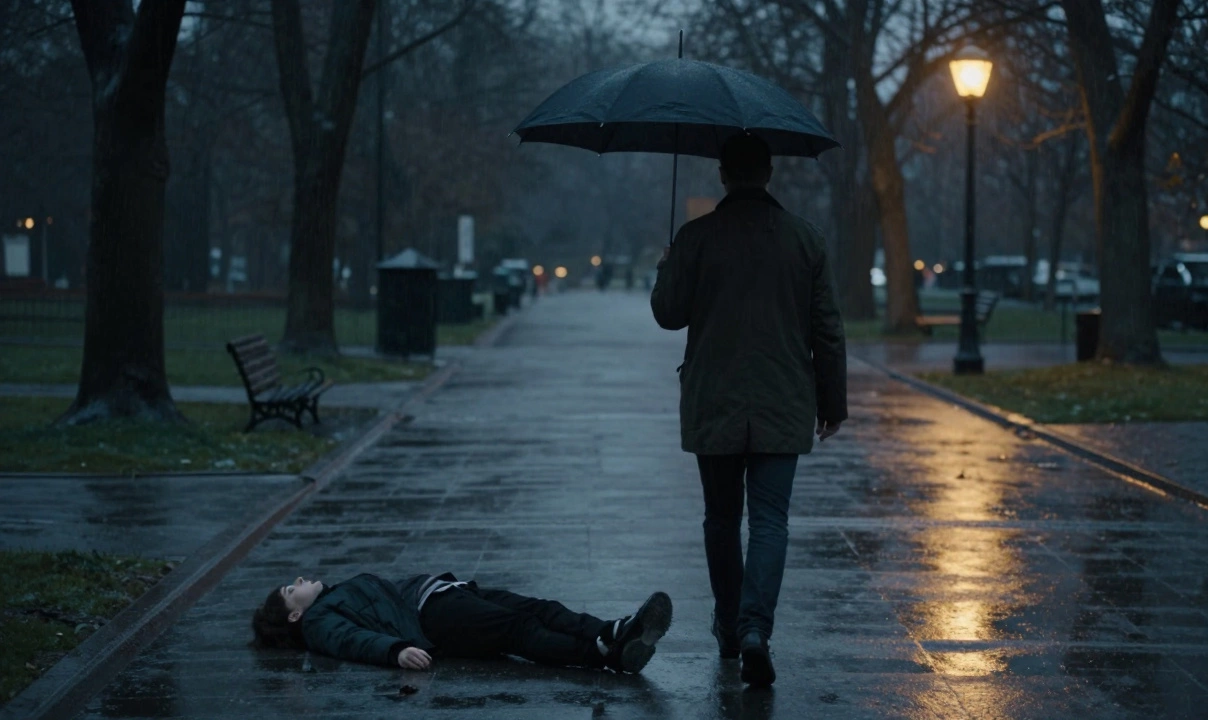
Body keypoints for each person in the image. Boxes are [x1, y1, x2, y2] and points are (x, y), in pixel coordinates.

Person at [650, 134, 848, 687]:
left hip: (715, 400)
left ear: (722, 175)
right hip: (783, 401)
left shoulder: (696, 238)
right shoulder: (804, 240)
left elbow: (668, 315)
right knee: (770, 520)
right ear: (768, 173)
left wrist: (668, 268)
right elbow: (827, 328)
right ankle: (756, 628)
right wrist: (833, 402)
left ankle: (731, 625)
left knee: (720, 518)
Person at [252, 572, 672, 675]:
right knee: (518, 627)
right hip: (432, 615)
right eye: (293, 589)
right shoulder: (318, 622)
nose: (301, 580)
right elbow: (351, 640)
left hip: (446, 592)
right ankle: (602, 654)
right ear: (295, 614)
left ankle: (613, 631)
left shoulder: (329, 600)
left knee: (538, 607)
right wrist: (394, 650)